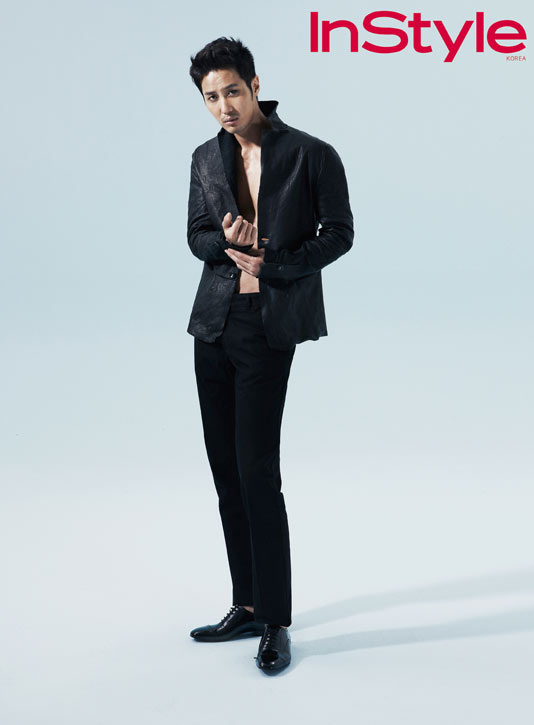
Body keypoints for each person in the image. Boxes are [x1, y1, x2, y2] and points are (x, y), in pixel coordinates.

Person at [186, 36, 354, 673]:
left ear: (255, 85)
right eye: (211, 97)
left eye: (232, 91)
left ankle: (277, 621)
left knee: (258, 470)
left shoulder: (311, 153)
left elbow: (340, 234)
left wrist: (274, 261)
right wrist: (224, 242)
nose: (224, 107)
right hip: (213, 324)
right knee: (225, 471)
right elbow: (196, 234)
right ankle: (248, 604)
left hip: (268, 324)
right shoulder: (205, 158)